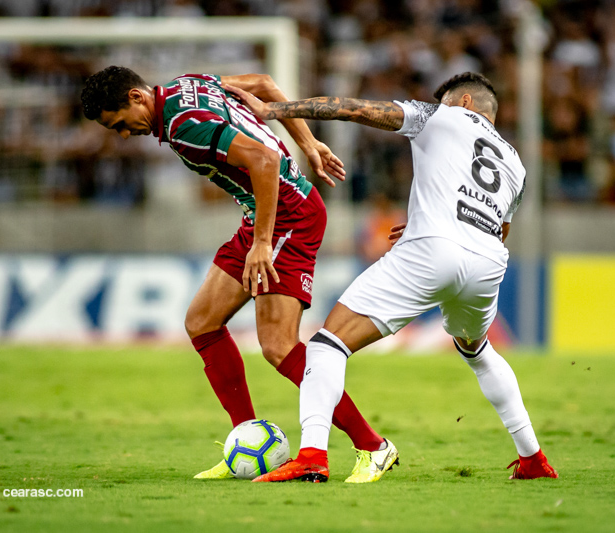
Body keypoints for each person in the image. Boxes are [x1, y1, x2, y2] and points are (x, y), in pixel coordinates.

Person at [225, 72, 558, 482]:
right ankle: (533, 458)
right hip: (487, 262)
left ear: (466, 102)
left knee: (328, 345)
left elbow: (354, 109)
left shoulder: (439, 115)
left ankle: (312, 455)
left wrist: (272, 109)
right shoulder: (516, 165)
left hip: (433, 250)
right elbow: (498, 227)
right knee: (477, 350)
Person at [81, 67, 398, 483]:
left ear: (138, 97)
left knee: (279, 346)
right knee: (201, 322)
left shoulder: (183, 125)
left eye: (120, 124)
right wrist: (307, 143)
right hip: (264, 215)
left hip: (288, 217)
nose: (124, 134)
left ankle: (373, 446)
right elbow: (265, 85)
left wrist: (262, 243)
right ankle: (245, 440)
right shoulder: (189, 84)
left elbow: (263, 160)